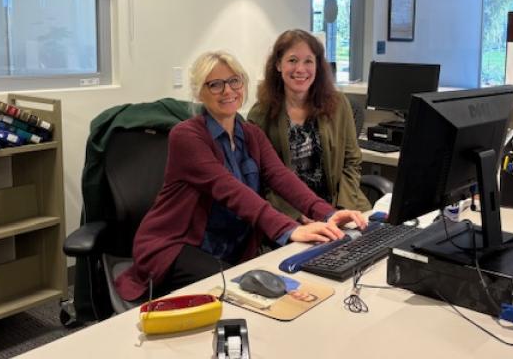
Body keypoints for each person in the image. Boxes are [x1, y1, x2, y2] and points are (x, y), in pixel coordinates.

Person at [114, 51, 366, 302]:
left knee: (298, 277)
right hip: (176, 245)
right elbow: (229, 189)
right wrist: (288, 229)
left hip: (233, 247)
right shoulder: (187, 136)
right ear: (199, 92)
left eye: (235, 81)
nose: (228, 91)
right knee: (240, 295)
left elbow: (281, 176)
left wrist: (327, 213)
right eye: (215, 84)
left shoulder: (251, 134)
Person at [248, 29, 371, 222]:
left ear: (317, 66)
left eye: (308, 61)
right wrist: (298, 215)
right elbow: (262, 178)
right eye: (292, 60)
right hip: (291, 214)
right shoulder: (261, 114)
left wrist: (339, 209)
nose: (300, 69)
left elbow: (351, 161)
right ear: (278, 65)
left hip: (341, 206)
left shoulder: (338, 105)